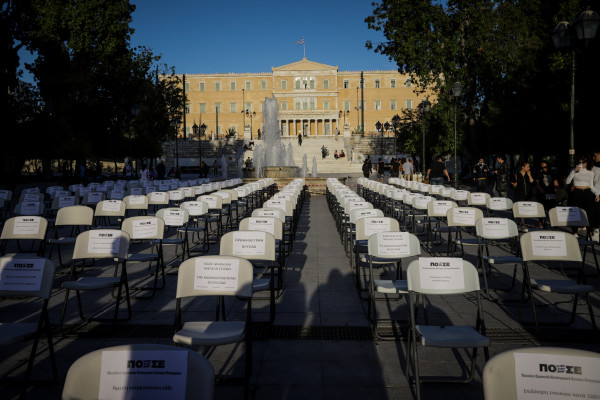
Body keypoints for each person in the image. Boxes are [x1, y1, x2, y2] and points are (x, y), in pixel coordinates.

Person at [566, 155, 600, 237]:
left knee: (589, 213)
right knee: (575, 212)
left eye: (583, 162)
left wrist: (597, 194)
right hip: (577, 192)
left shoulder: (590, 173)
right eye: (580, 162)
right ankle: (575, 232)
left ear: (587, 163)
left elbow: (591, 186)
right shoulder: (574, 171)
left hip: (587, 192)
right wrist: (574, 171)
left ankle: (590, 232)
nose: (581, 164)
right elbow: (567, 182)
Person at [535, 161, 559, 227]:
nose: (543, 168)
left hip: (551, 192)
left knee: (552, 208)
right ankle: (541, 222)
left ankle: (553, 222)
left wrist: (557, 190)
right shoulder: (539, 173)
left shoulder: (552, 173)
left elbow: (555, 182)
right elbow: (537, 182)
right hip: (542, 193)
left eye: (545, 167)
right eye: (542, 167)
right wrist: (540, 189)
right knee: (542, 208)